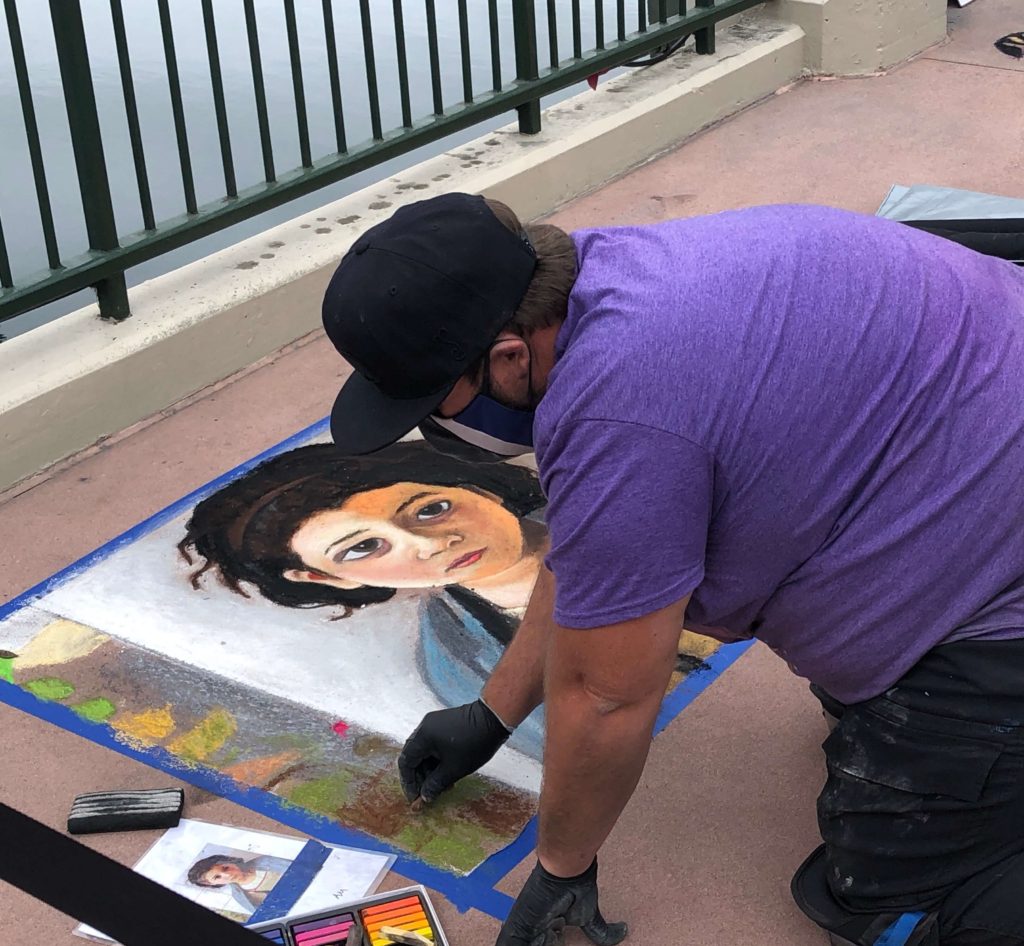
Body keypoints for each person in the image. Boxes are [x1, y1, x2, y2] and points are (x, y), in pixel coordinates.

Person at [319, 191, 1024, 946]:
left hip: (998, 590)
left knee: (901, 901)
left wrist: (561, 866)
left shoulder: (617, 411)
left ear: (509, 357)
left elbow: (607, 696)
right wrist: (492, 714)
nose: (433, 427)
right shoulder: (599, 278)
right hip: (983, 439)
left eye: (436, 401)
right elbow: (599, 559)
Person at [177, 440, 549, 758]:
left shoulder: (597, 502)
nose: (430, 544)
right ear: (326, 578)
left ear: (479, 489)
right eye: (364, 548)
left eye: (431, 509)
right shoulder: (454, 656)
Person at [186, 852, 292, 910]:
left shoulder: (266, 861)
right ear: (212, 884)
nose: (227, 875)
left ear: (230, 862)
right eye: (217, 877)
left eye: (225, 868)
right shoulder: (240, 897)